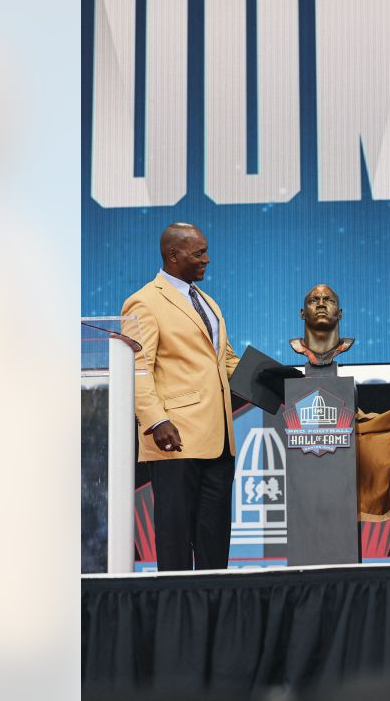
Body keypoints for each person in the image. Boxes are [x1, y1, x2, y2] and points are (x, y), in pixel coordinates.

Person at [122, 223, 240, 571]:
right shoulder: (143, 302)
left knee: (214, 545)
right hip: (175, 440)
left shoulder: (206, 302)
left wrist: (290, 384)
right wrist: (156, 419)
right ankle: (177, 621)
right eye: (198, 253)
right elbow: (138, 368)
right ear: (173, 256)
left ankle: (214, 618)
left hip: (217, 443)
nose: (207, 259)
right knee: (174, 543)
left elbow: (227, 361)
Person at [288, 284, 355, 371]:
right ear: (302, 314)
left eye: (329, 300)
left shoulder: (345, 344)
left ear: (339, 314)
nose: (321, 304)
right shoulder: (296, 345)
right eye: (313, 301)